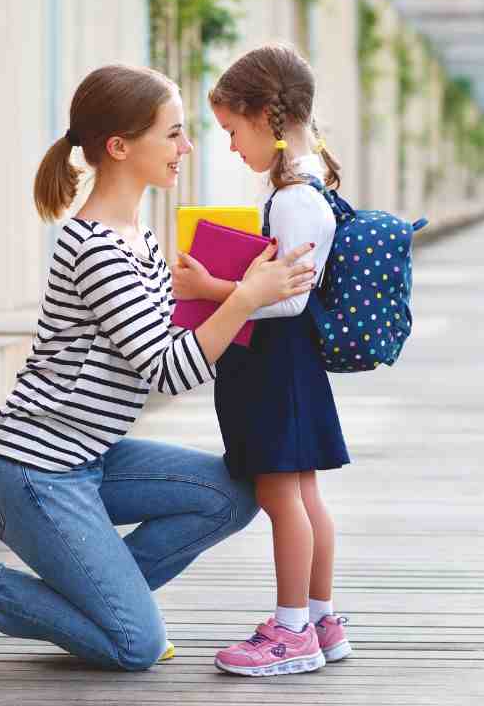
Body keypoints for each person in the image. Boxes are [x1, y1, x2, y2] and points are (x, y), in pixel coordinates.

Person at [0, 64, 317, 671]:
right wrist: (247, 296)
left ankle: (102, 606)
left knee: (232, 494)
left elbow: (174, 343)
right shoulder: (95, 248)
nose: (187, 147)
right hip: (32, 472)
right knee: (134, 647)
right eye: (173, 134)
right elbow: (169, 370)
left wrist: (230, 290)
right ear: (120, 147)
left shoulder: (139, 238)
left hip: (89, 458)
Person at [171, 44, 351, 676]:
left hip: (274, 369)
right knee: (303, 497)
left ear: (266, 117)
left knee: (284, 502)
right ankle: (320, 619)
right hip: (288, 370)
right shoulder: (306, 188)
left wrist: (209, 290)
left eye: (232, 130)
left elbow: (286, 302)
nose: (229, 146)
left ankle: (293, 629)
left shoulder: (294, 198)